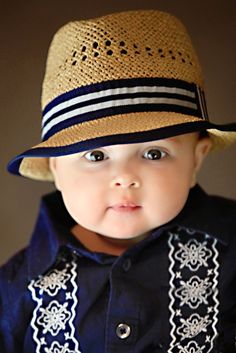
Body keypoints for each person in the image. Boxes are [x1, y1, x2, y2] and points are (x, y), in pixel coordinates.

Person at [1, 9, 236, 353]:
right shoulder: (16, 287)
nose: (125, 178)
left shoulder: (230, 249)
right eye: (96, 156)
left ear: (196, 159)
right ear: (55, 168)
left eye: (154, 153)